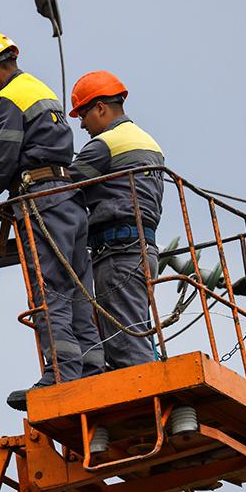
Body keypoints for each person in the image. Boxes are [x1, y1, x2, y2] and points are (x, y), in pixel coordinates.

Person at [0, 32, 100, 410]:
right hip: (69, 201)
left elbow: (3, 159)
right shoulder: (38, 90)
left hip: (42, 203)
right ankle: (92, 367)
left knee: (50, 289)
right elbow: (12, 157)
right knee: (77, 285)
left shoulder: (9, 99)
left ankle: (60, 373)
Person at [67, 70, 165, 371]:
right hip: (143, 249)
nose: (82, 124)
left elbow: (63, 188)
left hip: (118, 252)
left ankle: (147, 396)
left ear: (100, 107)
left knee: (126, 344)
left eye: (83, 114)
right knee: (134, 328)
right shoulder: (148, 142)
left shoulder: (105, 145)